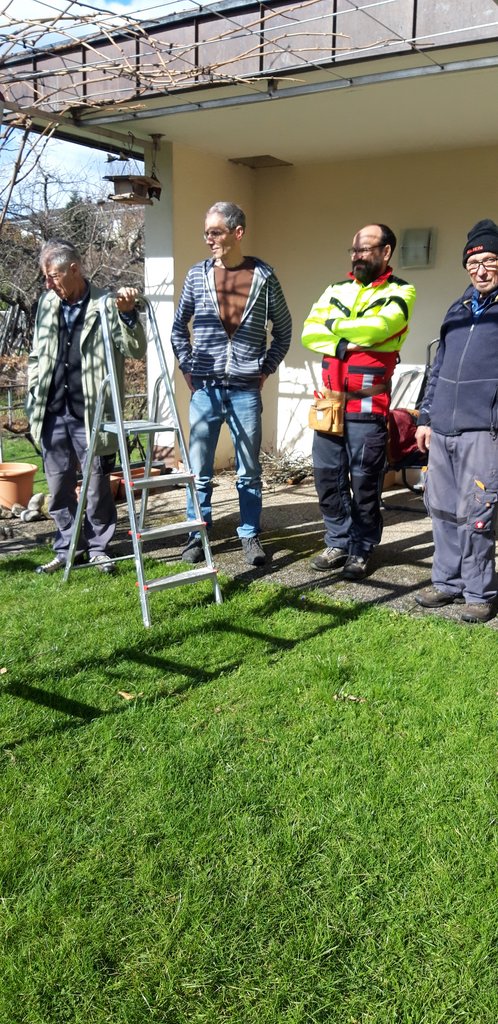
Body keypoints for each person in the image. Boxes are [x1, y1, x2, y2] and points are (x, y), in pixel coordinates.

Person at [170, 201, 292, 567]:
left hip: (245, 391)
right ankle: (197, 534)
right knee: (199, 470)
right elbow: (178, 328)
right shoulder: (197, 275)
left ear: (237, 233)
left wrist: (264, 369)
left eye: (216, 232)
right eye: (206, 232)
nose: (208, 239)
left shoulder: (264, 278)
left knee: (249, 471)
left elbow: (284, 331)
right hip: (205, 389)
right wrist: (188, 367)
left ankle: (250, 535)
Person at [302, 223, 416, 579]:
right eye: (354, 250)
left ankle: (362, 547)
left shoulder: (402, 291)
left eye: (364, 249)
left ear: (386, 252)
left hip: (368, 406)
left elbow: (379, 328)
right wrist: (347, 343)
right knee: (326, 478)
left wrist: (334, 326)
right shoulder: (335, 288)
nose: (357, 256)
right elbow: (309, 332)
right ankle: (338, 541)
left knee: (365, 483)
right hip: (330, 403)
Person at [27, 239, 146, 574]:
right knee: (57, 489)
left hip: (92, 414)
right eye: (46, 278)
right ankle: (68, 548)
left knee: (96, 487)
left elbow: (135, 349)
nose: (48, 284)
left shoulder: (106, 304)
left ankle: (98, 549)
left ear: (74, 269)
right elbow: (37, 354)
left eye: (53, 276)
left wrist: (128, 314)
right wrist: (33, 388)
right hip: (52, 411)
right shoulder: (47, 304)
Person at [415, 219, 498, 623]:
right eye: (473, 263)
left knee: (478, 513)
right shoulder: (457, 309)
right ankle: (446, 582)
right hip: (443, 428)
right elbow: (438, 368)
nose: (481, 270)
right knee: (443, 508)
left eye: (490, 261)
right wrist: (425, 416)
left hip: (484, 430)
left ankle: (479, 592)